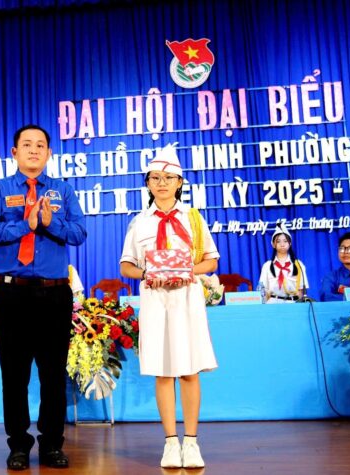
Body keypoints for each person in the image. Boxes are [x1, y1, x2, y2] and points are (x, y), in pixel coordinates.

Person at [0, 124, 87, 470]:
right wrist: (27, 223)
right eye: (27, 145)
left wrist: (51, 223)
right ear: (15, 152)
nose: (34, 150)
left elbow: (79, 233)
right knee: (14, 375)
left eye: (41, 145)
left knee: (53, 375)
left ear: (49, 153)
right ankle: (19, 445)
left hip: (54, 295)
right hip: (12, 294)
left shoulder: (63, 190)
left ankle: (52, 444)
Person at [119, 144, 218, 469]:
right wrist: (149, 273)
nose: (161, 183)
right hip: (155, 301)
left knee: (189, 371)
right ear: (147, 183)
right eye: (155, 178)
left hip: (187, 300)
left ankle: (191, 442)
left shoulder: (193, 218)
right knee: (163, 372)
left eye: (169, 178)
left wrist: (185, 271)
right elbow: (126, 266)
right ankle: (170, 442)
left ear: (180, 182)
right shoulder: (139, 223)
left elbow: (211, 261)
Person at [257, 224, 309, 303]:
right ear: (273, 244)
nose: (282, 244)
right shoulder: (267, 266)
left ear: (290, 243)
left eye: (285, 241)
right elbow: (262, 290)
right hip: (273, 304)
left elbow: (301, 291)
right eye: (278, 241)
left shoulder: (299, 264)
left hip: (293, 304)